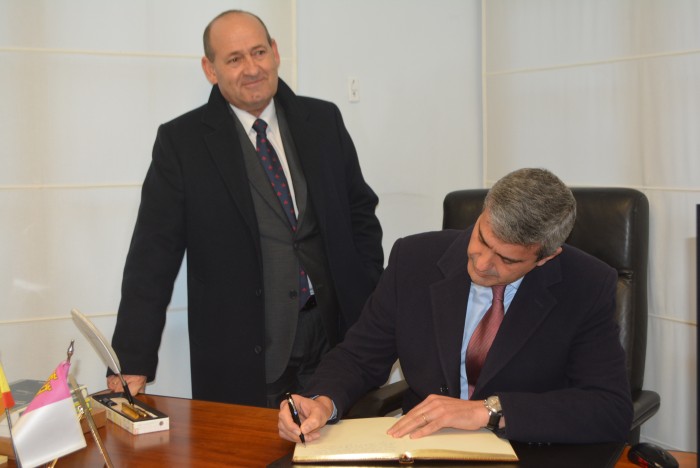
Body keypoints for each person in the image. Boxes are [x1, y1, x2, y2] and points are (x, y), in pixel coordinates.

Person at [107, 10, 383, 408]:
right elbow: (152, 256)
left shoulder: (323, 120)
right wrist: (131, 359)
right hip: (245, 354)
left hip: (334, 343)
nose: (251, 68)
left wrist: (367, 290)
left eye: (258, 52)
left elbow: (360, 212)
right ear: (210, 69)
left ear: (275, 53)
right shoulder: (181, 144)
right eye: (234, 59)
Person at [279, 168, 633, 444]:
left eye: (507, 260)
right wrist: (322, 400)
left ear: (545, 257)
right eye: (482, 239)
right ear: (483, 214)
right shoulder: (414, 260)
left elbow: (609, 409)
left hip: (527, 450)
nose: (481, 264)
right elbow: (359, 356)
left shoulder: (586, 285)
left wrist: (489, 412)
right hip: (427, 448)